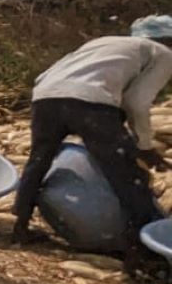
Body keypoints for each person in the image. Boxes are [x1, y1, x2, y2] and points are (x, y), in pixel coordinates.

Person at [10, 16, 172, 267]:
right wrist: (145, 147)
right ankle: (141, 251)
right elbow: (137, 102)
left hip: (45, 97)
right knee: (129, 176)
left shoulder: (105, 43)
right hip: (90, 103)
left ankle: (20, 226)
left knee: (38, 161)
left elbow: (46, 75)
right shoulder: (162, 53)